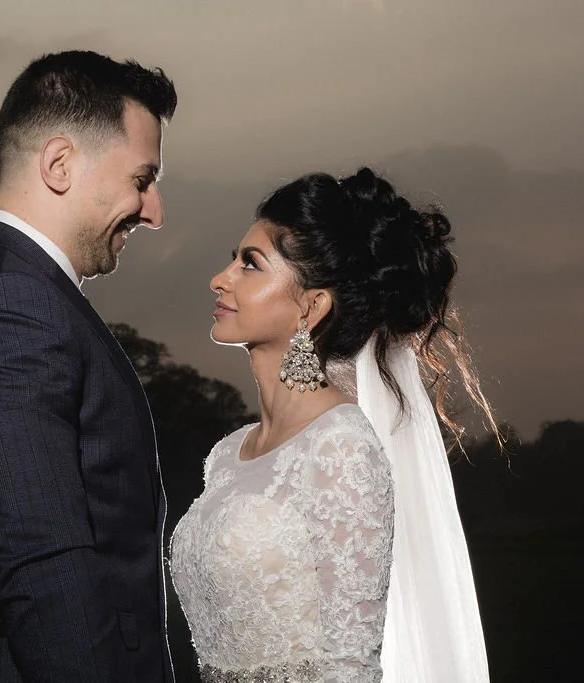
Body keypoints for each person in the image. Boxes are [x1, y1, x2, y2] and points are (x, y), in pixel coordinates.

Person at [0, 50, 177, 682]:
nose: (155, 211)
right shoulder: (7, 306)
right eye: (142, 179)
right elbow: (42, 570)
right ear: (60, 164)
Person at [169, 168, 497, 682]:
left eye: (250, 265)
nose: (221, 277)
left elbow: (350, 666)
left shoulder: (340, 446)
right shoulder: (226, 456)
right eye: (233, 259)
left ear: (311, 306)